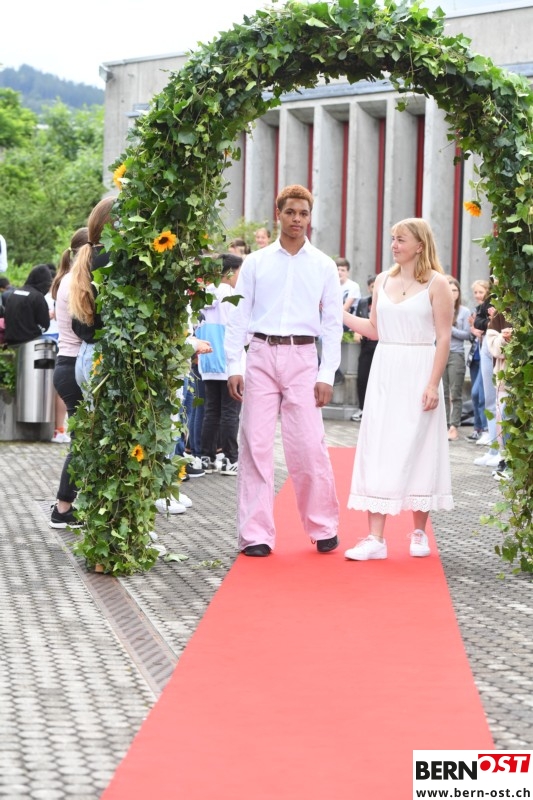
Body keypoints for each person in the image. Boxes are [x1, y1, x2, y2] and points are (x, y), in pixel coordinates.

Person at [225, 184, 343, 557]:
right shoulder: (256, 262)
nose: (297, 219)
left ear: (310, 217)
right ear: (279, 214)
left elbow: (333, 324)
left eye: (303, 213)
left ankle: (323, 527)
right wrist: (234, 364)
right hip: (260, 354)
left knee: (308, 445)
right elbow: (239, 315)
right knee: (255, 445)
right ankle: (255, 535)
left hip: (303, 357)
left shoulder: (323, 265)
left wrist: (327, 374)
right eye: (290, 212)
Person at [342, 218, 454, 561]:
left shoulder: (437, 284)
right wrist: (337, 314)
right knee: (378, 447)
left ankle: (419, 531)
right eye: (392, 238)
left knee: (421, 446)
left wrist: (433, 383)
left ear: (420, 245)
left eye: (401, 239)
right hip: (386, 370)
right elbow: (374, 329)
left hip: (420, 368)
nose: (394, 244)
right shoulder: (383, 280)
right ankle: (375, 538)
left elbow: (444, 338)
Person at [49, 228, 89, 528]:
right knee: (82, 440)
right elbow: (84, 328)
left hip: (67, 364)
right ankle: (63, 508)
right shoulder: (74, 282)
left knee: (83, 439)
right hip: (73, 365)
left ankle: (66, 506)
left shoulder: (66, 279)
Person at [197, 253, 243, 475]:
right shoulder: (231, 295)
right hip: (228, 360)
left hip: (208, 358)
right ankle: (230, 458)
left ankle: (207, 457)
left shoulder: (205, 292)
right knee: (230, 412)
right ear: (231, 272)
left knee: (211, 411)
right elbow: (240, 328)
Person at [69, 197, 115, 389]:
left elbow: (76, 323)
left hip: (86, 354)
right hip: (102, 358)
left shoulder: (86, 259)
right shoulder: (113, 259)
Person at [472, 278, 500, 468]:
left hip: (503, 347)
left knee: (502, 402)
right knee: (490, 399)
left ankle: (502, 452)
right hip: (488, 347)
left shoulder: (514, 298)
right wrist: (490, 320)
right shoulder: (492, 298)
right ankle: (493, 449)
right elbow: (478, 321)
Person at [443, 276, 470, 441]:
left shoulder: (464, 311)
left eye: (455, 290)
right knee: (443, 392)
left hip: (456, 354)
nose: (452, 293)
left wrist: (450, 329)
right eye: (449, 290)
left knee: (455, 392)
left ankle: (454, 426)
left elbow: (467, 335)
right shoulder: (439, 307)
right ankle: (445, 424)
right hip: (440, 352)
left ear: (459, 293)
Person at [486, 311, 512, 482]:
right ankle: (506, 459)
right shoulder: (500, 314)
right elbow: (494, 348)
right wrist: (505, 339)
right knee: (504, 416)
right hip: (506, 377)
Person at [465, 279, 490, 442]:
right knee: (475, 396)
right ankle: (477, 427)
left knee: (479, 393)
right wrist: (473, 330)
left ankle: (486, 428)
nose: (478, 295)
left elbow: (485, 331)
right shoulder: (474, 311)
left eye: (481, 292)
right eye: (475, 292)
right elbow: (471, 336)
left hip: (485, 356)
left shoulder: (488, 309)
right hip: (474, 356)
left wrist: (477, 330)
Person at [350, 275, 377, 422]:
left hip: (382, 344)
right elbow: (358, 319)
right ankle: (362, 408)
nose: (375, 289)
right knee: (362, 377)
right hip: (366, 344)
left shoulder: (388, 302)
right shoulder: (363, 302)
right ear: (369, 288)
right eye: (373, 286)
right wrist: (357, 331)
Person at [4, 264, 52, 345]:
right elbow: (44, 325)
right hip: (28, 341)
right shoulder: (37, 296)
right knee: (53, 343)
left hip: (10, 340)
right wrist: (47, 316)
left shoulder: (14, 292)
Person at [336, 257, 361, 324]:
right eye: (337, 269)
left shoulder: (353, 286)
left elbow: (345, 308)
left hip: (349, 324)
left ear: (348, 272)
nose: (339, 272)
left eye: (343, 270)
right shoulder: (331, 286)